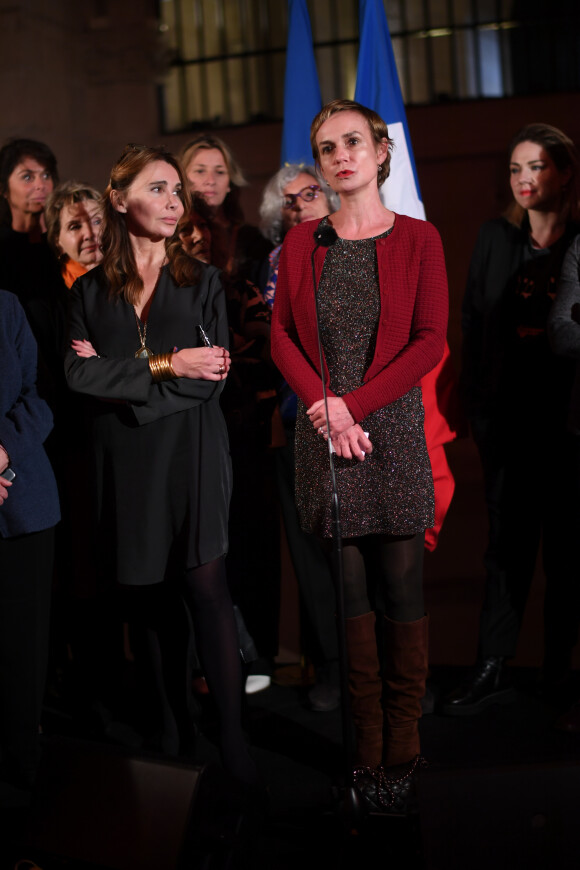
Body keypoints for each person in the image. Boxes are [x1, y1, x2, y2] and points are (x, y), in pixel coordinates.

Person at [271, 99, 448, 813]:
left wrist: (356, 405)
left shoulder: (418, 238)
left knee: (401, 595)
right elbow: (281, 334)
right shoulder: (301, 245)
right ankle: (365, 750)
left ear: (380, 152)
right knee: (347, 602)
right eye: (326, 147)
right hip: (325, 437)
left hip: (392, 436)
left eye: (352, 142)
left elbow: (431, 339)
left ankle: (403, 748)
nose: (339, 155)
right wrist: (326, 404)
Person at [65, 143, 258, 788]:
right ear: (119, 200)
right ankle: (171, 728)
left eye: (178, 190)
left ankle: (231, 739)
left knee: (207, 592)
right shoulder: (88, 291)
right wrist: (167, 365)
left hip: (194, 450)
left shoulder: (201, 280)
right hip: (126, 461)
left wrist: (125, 387)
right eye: (159, 189)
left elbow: (216, 376)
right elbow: (74, 373)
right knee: (144, 597)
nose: (175, 202)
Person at [443, 123, 580, 715]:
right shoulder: (495, 237)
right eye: (516, 169)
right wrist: (476, 405)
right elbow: (475, 323)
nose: (525, 180)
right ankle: (493, 664)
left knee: (568, 551)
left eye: (539, 167)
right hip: (508, 419)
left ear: (565, 173)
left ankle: (558, 671)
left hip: (569, 421)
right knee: (505, 548)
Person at [260, 164, 343, 711]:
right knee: (313, 556)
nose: (300, 204)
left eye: (310, 193)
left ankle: (387, 668)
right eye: (288, 202)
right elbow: (281, 335)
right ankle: (334, 669)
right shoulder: (275, 263)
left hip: (367, 416)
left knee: (367, 551)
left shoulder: (361, 242)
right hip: (300, 417)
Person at [0, 290, 60, 798]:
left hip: (24, 509)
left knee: (22, 669)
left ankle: (22, 796)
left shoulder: (7, 307)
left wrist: (0, 452)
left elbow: (37, 400)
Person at [180, 133, 271, 283]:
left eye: (220, 172)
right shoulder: (168, 235)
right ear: (182, 179)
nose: (210, 181)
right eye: (200, 171)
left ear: (230, 183)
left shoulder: (255, 241)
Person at [45, 181, 103, 288]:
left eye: (97, 222)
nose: (89, 234)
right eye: (75, 227)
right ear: (57, 242)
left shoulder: (137, 276)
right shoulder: (47, 297)